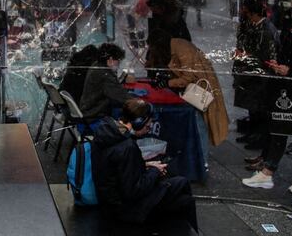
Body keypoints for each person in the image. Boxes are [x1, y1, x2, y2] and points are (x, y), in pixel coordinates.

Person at [242, 7, 292, 195]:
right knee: (282, 125)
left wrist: (289, 70)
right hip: (289, 88)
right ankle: (269, 170)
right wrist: (280, 66)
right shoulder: (289, 34)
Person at [91, 100, 199, 233]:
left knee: (180, 193)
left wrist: (144, 164)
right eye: (147, 126)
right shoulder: (128, 147)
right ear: (138, 123)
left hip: (108, 200)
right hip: (124, 208)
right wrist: (155, 170)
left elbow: (114, 165)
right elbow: (134, 191)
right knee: (182, 186)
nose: (149, 129)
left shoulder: (106, 132)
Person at [167, 36, 230, 146]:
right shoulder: (177, 47)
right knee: (199, 122)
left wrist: (170, 82)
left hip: (199, 89)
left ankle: (202, 156)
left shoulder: (181, 48)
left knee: (200, 122)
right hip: (196, 89)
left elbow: (188, 77)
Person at [233, 0, 277, 150]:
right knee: (251, 106)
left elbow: (267, 55)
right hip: (249, 73)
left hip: (260, 75)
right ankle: (253, 132)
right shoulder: (248, 26)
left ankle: (260, 136)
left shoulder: (266, 29)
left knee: (260, 108)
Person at [79, 44, 133, 124]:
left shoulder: (96, 65)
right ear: (110, 60)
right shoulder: (105, 75)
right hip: (95, 115)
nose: (118, 64)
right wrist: (137, 102)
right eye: (118, 60)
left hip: (88, 109)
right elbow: (120, 96)